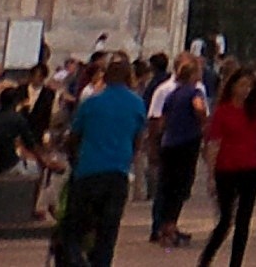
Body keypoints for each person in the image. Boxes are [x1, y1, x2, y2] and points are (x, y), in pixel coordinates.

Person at [55, 54, 152, 267]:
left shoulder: (92, 103)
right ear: (129, 77)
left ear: (106, 77)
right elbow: (138, 140)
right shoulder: (137, 104)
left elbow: (74, 137)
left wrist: (74, 159)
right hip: (117, 174)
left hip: (88, 172)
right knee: (107, 234)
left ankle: (76, 261)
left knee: (73, 228)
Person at [200, 69, 256, 267]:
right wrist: (211, 176)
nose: (246, 90)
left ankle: (236, 262)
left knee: (243, 221)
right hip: (227, 168)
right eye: (242, 85)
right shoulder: (223, 111)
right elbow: (214, 143)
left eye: (249, 86)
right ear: (232, 86)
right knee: (225, 220)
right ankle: (206, 259)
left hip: (251, 169)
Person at [148, 55, 209, 249]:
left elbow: (161, 121)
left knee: (167, 186)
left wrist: (158, 142)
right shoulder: (195, 92)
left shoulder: (172, 94)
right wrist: (204, 123)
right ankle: (170, 227)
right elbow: (199, 109)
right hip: (186, 144)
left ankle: (164, 228)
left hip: (169, 144)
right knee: (180, 188)